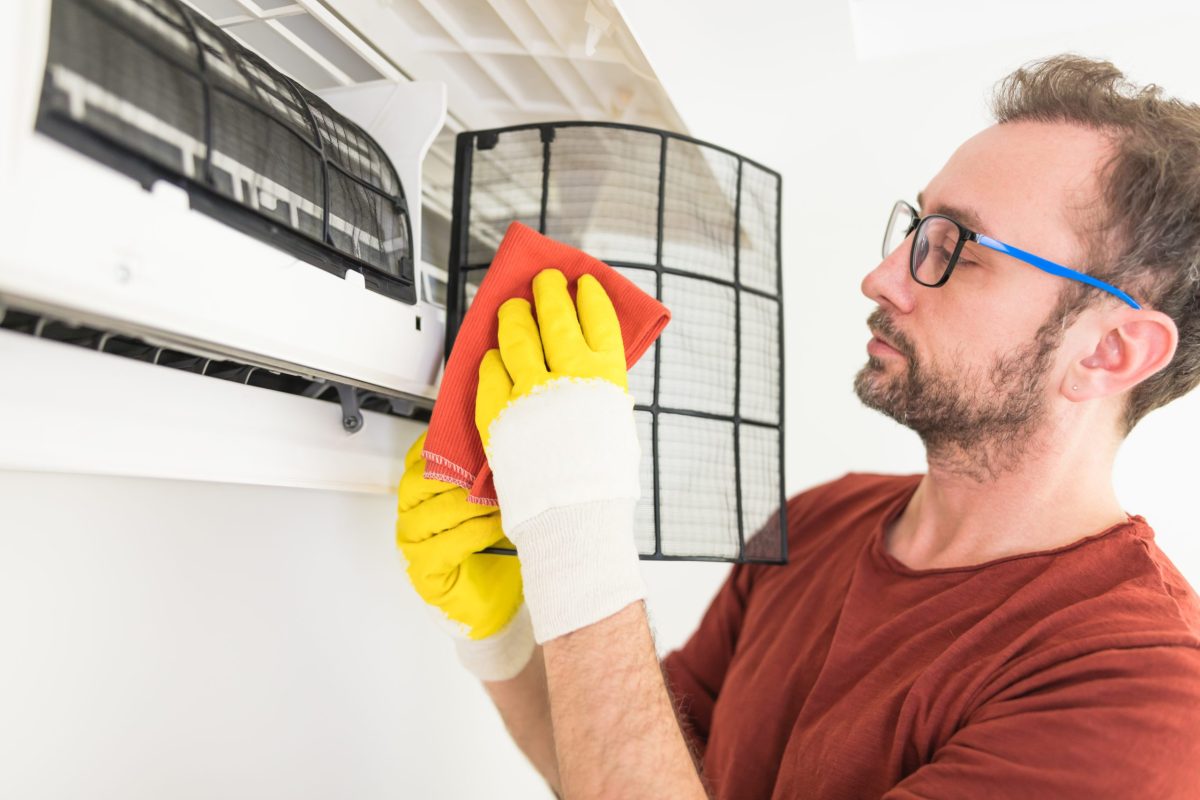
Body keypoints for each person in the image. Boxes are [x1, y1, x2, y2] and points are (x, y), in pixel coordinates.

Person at [395, 54, 1200, 798]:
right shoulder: (821, 522)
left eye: (958, 249)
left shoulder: (1139, 691)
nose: (883, 277)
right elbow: (631, 775)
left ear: (1113, 347)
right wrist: (503, 635)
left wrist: (577, 533)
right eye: (915, 229)